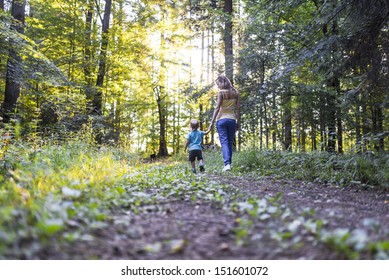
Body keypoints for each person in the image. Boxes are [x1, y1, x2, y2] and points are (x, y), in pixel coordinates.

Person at [206, 75, 240, 172]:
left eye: (218, 84)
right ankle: (228, 164)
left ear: (223, 82)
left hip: (221, 120)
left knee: (224, 142)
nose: (218, 86)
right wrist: (239, 122)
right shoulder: (236, 92)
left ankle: (227, 164)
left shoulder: (221, 93)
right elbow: (238, 108)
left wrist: (211, 123)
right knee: (229, 142)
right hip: (232, 120)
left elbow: (217, 108)